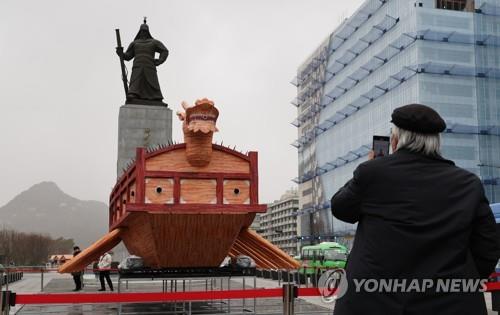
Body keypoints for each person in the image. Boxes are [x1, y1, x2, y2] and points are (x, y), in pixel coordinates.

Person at [331, 104, 500, 315]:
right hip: (450, 303)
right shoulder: (468, 184)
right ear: (437, 143)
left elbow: (340, 208)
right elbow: (488, 248)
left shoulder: (372, 173)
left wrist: (373, 168)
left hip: (372, 302)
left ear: (395, 140)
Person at [116, 21, 169, 104]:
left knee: (152, 82)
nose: (143, 33)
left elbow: (164, 51)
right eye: (142, 31)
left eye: (145, 31)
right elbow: (128, 56)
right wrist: (121, 53)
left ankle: (155, 97)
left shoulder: (154, 42)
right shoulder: (135, 43)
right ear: (139, 32)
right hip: (138, 65)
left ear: (148, 32)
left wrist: (159, 61)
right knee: (136, 80)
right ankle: (133, 94)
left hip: (149, 65)